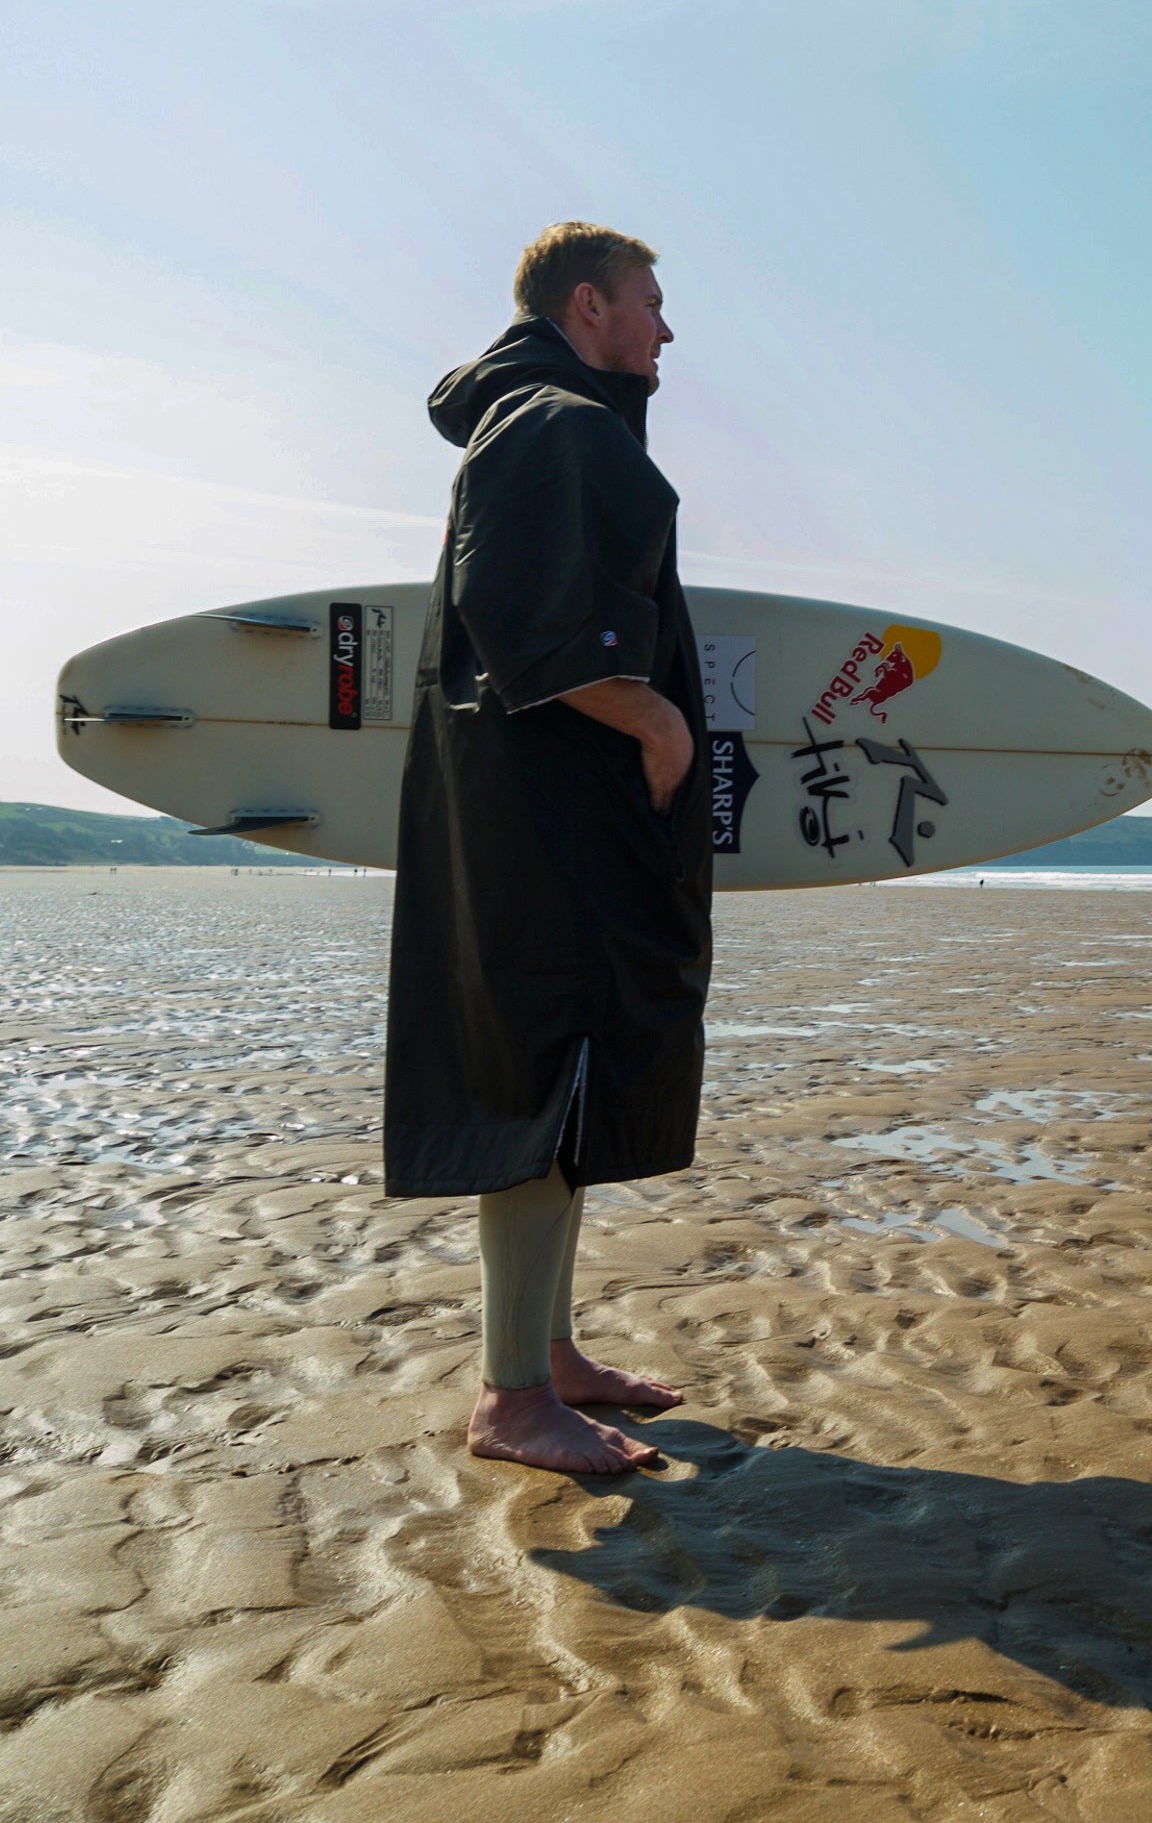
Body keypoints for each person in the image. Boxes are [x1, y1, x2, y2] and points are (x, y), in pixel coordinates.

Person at [386, 222, 710, 1475]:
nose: (666, 328)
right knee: (545, 1061)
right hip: (548, 818)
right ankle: (512, 1397)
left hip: (547, 810)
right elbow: (518, 615)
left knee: (567, 1070)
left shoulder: (549, 416)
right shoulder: (550, 422)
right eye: (651, 302)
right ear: (590, 306)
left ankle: (551, 1351)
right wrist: (652, 711)